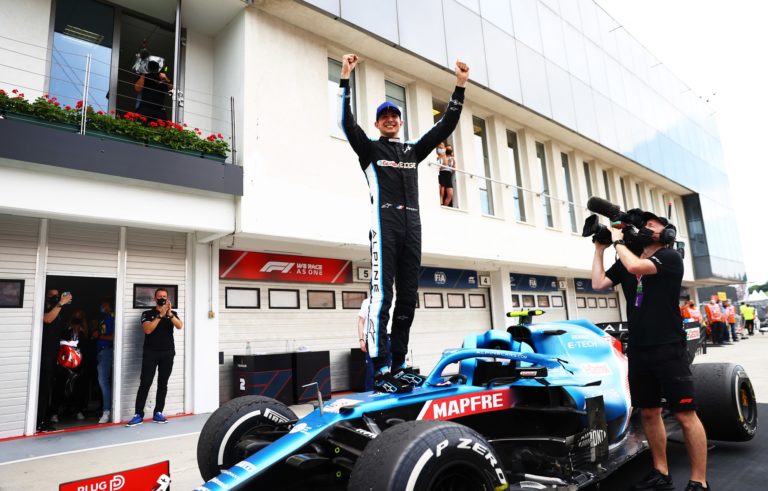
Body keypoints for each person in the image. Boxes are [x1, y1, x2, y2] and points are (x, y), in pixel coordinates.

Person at [338, 53, 469, 393]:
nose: (390, 120)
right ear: (377, 124)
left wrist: (460, 86)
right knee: (383, 297)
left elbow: (445, 127)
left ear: (400, 121)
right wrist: (345, 78)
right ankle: (380, 368)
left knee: (408, 298)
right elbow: (346, 123)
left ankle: (398, 365)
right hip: (385, 226)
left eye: (394, 116)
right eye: (384, 117)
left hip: (413, 227)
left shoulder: (412, 152)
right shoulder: (369, 150)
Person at [592, 212, 710, 491]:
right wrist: (600, 249)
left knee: (685, 414)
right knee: (648, 413)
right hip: (640, 349)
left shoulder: (670, 257)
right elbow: (598, 284)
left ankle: (699, 481)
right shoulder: (626, 260)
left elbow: (636, 267)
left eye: (651, 225)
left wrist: (619, 241)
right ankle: (661, 473)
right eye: (642, 225)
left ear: (666, 234)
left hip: (668, 348)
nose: (645, 228)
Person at [126, 288, 183, 427]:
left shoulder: (172, 314)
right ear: (155, 298)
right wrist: (159, 315)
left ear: (167, 298)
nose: (162, 298)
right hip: (150, 353)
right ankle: (138, 414)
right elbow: (148, 330)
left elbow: (180, 326)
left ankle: (158, 412)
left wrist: (169, 314)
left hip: (168, 353)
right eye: (159, 296)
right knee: (145, 383)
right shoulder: (147, 313)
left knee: (163, 383)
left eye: (164, 296)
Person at [37, 288, 72, 432]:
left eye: (58, 295)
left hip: (53, 355)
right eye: (52, 295)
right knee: (42, 389)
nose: (56, 297)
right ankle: (38, 422)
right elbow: (47, 319)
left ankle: (45, 418)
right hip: (43, 355)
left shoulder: (57, 311)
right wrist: (61, 303)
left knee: (50, 389)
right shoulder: (42, 307)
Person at [95, 299, 115, 424]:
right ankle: (105, 408)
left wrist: (98, 336)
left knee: (103, 381)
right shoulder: (104, 318)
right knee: (102, 382)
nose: (102, 306)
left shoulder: (113, 318)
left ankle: (107, 411)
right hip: (100, 351)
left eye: (105, 304)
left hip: (107, 351)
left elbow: (113, 337)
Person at [437, 142, 456, 206]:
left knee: (450, 194)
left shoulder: (452, 158)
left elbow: (453, 169)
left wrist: (453, 162)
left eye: (450, 149)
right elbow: (443, 164)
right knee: (442, 191)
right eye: (448, 149)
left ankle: (445, 206)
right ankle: (441, 204)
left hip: (449, 174)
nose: (449, 151)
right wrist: (444, 155)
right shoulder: (442, 155)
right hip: (443, 172)